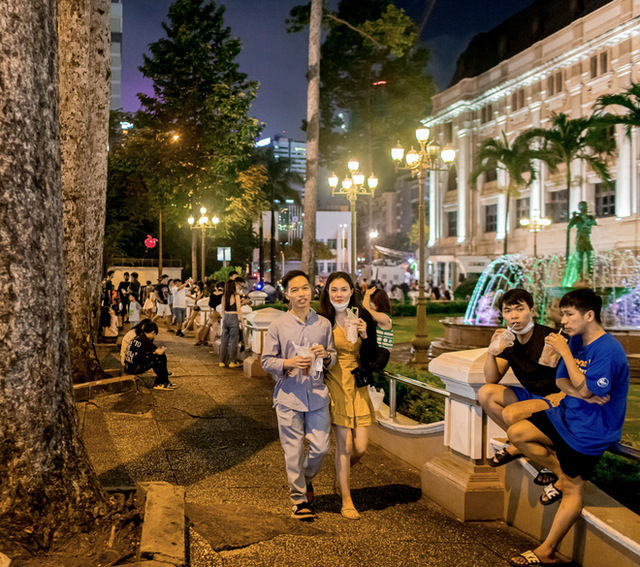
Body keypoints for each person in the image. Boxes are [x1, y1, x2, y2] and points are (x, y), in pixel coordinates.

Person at [507, 288, 629, 567]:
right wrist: (581, 392)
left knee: (575, 491)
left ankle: (547, 551)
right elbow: (562, 382)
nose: (563, 320)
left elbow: (585, 387)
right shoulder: (574, 341)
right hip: (566, 415)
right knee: (517, 433)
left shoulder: (607, 349)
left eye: (569, 314)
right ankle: (562, 475)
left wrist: (567, 357)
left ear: (589, 315)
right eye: (562, 314)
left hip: (591, 432)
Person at [261, 270, 337, 520]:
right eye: (295, 290)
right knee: (292, 450)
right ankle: (299, 499)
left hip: (317, 394)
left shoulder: (324, 324)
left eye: (305, 288)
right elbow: (266, 361)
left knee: (321, 447)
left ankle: (304, 479)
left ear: (312, 290)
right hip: (288, 395)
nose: (301, 294)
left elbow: (332, 357)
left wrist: (326, 356)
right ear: (286, 295)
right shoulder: (278, 325)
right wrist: (288, 362)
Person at [479, 289, 563, 485]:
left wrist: (563, 393)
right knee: (486, 393)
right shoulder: (508, 341)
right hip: (530, 395)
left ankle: (526, 447)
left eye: (520, 309)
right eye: (508, 311)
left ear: (532, 311)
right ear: (503, 315)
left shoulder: (548, 337)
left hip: (552, 399)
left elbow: (573, 370)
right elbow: (491, 379)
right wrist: (492, 350)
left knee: (511, 414)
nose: (514, 315)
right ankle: (521, 444)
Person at [318, 271, 379, 520]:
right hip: (334, 382)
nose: (339, 294)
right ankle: (346, 498)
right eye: (334, 290)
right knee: (344, 445)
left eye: (343, 289)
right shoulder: (322, 320)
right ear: (327, 293)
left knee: (361, 447)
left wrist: (366, 336)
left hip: (357, 384)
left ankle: (339, 476)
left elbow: (374, 355)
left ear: (352, 292)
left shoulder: (361, 317)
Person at [124, 321, 177, 390]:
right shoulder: (145, 340)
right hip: (134, 368)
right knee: (160, 357)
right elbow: (160, 352)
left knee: (155, 357)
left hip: (128, 366)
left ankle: (164, 380)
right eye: (155, 334)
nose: (154, 336)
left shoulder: (139, 337)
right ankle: (161, 383)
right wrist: (163, 349)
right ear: (152, 332)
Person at [363, 287, 393, 372]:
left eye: (371, 302)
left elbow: (366, 311)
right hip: (374, 351)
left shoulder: (386, 317)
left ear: (379, 303)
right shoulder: (377, 319)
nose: (369, 304)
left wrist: (367, 295)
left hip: (381, 354)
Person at [219, 279, 243, 368]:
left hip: (226, 317)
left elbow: (222, 310)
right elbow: (239, 310)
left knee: (224, 340)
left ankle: (222, 361)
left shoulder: (224, 296)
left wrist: (224, 319)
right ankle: (232, 361)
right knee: (233, 340)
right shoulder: (236, 296)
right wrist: (242, 321)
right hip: (233, 318)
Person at [195, 281, 224, 346]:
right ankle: (210, 341)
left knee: (208, 324)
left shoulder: (213, 294)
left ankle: (204, 340)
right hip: (219, 313)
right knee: (213, 326)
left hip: (214, 312)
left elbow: (210, 305)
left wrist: (210, 313)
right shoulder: (224, 295)